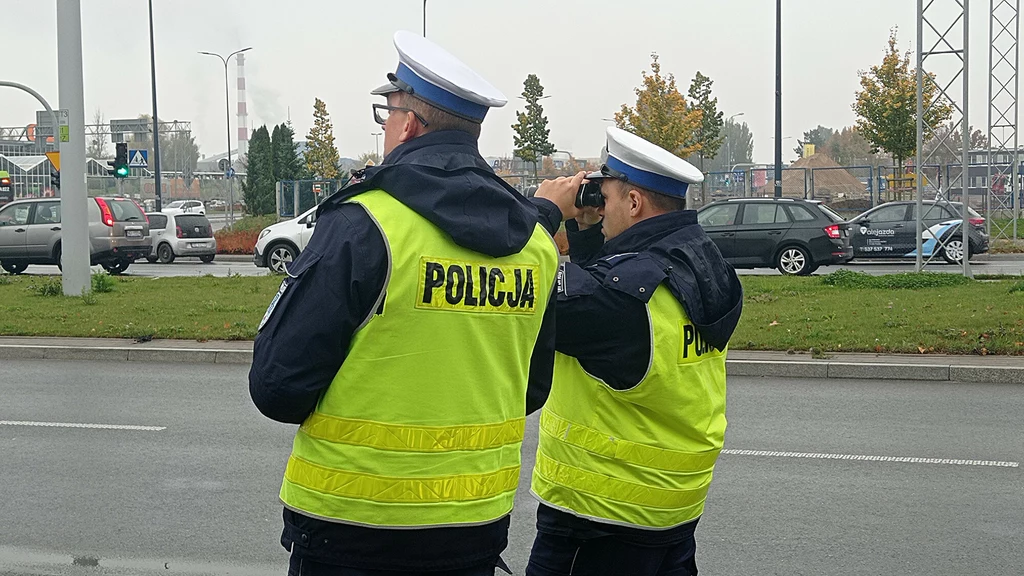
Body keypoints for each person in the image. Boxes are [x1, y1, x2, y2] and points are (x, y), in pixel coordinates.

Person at [249, 30, 560, 576]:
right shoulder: (535, 245)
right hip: (474, 529)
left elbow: (276, 385)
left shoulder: (363, 225)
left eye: (387, 111)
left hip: (351, 529)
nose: (386, 125)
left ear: (409, 124)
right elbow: (531, 389)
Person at [523, 127, 744, 576]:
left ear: (635, 202)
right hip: (674, 509)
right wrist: (586, 234)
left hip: (600, 516)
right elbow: (601, 302)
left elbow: (524, 300)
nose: (599, 207)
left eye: (605, 196)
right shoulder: (707, 266)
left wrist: (542, 213)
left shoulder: (621, 298)